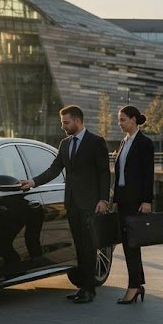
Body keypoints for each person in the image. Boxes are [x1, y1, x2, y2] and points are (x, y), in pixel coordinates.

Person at [21, 105, 110, 304]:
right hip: (71, 203)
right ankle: (82, 288)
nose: (63, 127)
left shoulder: (96, 142)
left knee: (89, 247)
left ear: (78, 121)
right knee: (78, 246)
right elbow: (54, 170)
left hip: (90, 204)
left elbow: (104, 173)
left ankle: (90, 289)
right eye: (62, 123)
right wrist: (33, 182)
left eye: (66, 123)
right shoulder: (65, 144)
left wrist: (104, 200)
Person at [111, 105, 154, 305]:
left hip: (136, 201)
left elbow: (148, 175)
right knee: (129, 245)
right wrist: (115, 199)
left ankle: (134, 287)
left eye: (122, 120)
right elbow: (120, 173)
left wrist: (147, 200)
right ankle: (138, 284)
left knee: (131, 245)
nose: (119, 123)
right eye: (119, 120)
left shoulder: (145, 143)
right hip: (123, 200)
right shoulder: (124, 141)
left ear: (134, 120)